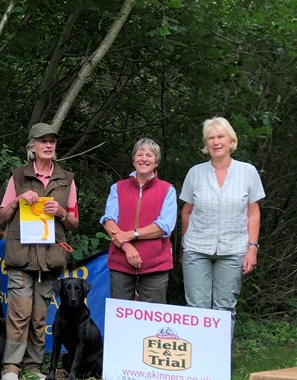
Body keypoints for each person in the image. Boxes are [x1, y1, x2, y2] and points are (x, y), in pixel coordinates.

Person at [0, 123, 78, 380]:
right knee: (19, 313)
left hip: (50, 258)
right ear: (31, 147)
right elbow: (2, 216)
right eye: (43, 141)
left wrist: (62, 213)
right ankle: (11, 367)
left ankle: (33, 366)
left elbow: (74, 222)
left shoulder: (67, 179)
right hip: (21, 256)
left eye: (52, 141)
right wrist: (17, 200)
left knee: (39, 316)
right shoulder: (18, 176)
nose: (49, 145)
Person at [180, 116, 265, 335]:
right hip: (196, 249)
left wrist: (252, 248)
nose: (216, 142)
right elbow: (187, 211)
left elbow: (253, 212)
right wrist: (184, 247)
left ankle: (219, 356)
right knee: (196, 309)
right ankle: (197, 354)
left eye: (220, 137)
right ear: (206, 144)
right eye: (211, 138)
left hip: (233, 249)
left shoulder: (248, 172)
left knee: (224, 309)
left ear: (231, 141)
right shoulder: (195, 173)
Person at [100, 138, 177, 303]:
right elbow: (109, 221)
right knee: (120, 314)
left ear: (156, 162)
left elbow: (164, 227)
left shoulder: (168, 190)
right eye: (139, 154)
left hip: (155, 265)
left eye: (149, 155)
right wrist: (127, 246)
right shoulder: (117, 188)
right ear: (133, 160)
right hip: (120, 262)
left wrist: (130, 234)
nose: (144, 159)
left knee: (153, 316)